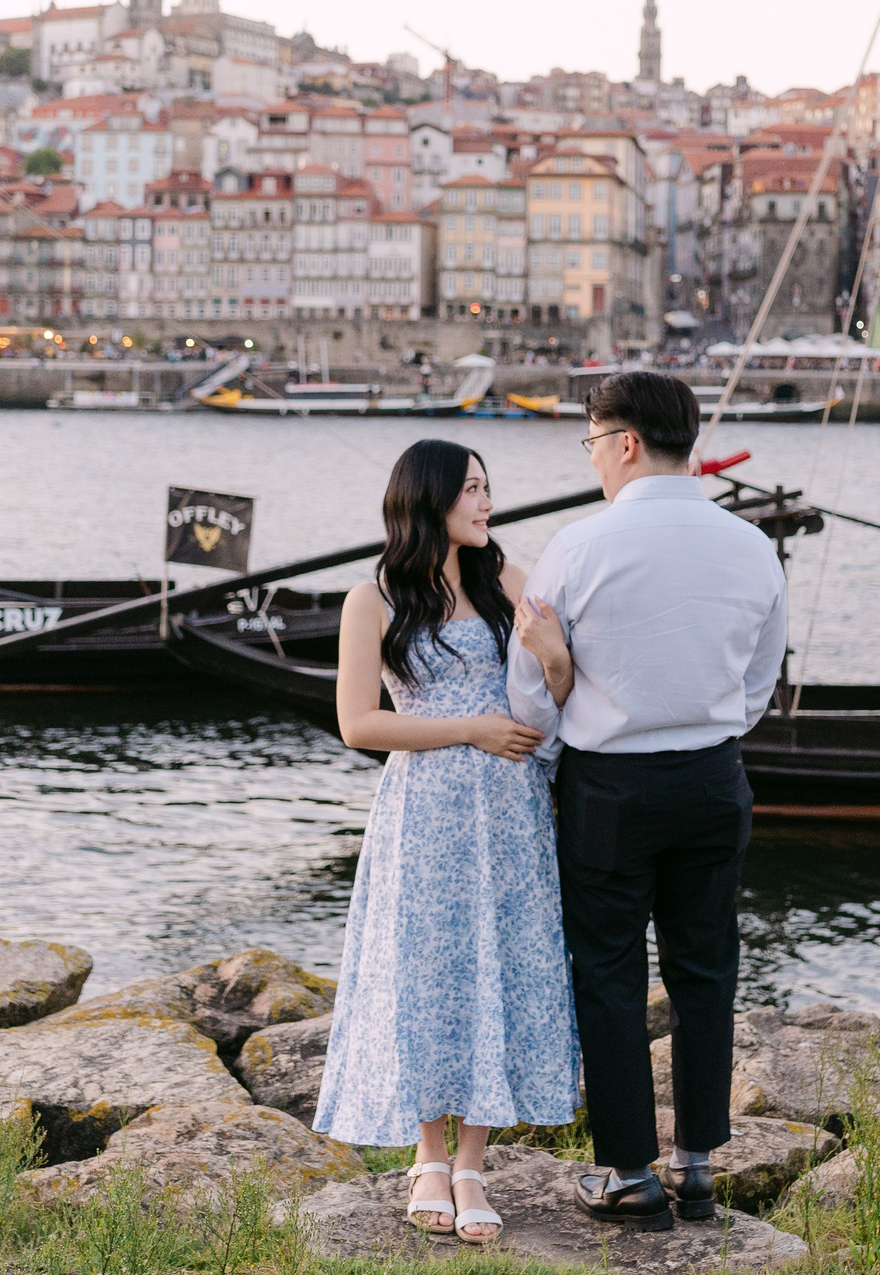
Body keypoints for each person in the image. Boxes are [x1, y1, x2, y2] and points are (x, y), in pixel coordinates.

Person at [508, 371, 787, 1231]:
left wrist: (556, 750)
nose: (592, 458)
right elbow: (758, 683)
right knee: (706, 968)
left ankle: (628, 1171)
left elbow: (529, 692)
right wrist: (704, 727)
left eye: (592, 442)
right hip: (711, 778)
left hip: (610, 787)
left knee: (609, 974)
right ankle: (696, 1165)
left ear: (625, 442)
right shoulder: (751, 545)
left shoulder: (577, 547)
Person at [311, 439, 580, 1249]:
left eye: (488, 487)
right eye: (470, 489)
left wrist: (554, 659)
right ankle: (427, 1156)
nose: (486, 502)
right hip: (424, 811)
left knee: (497, 966)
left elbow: (563, 691)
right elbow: (359, 723)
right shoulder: (374, 598)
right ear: (428, 498)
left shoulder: (511, 584)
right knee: (425, 970)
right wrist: (470, 728)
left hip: (510, 811)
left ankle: (472, 1164)